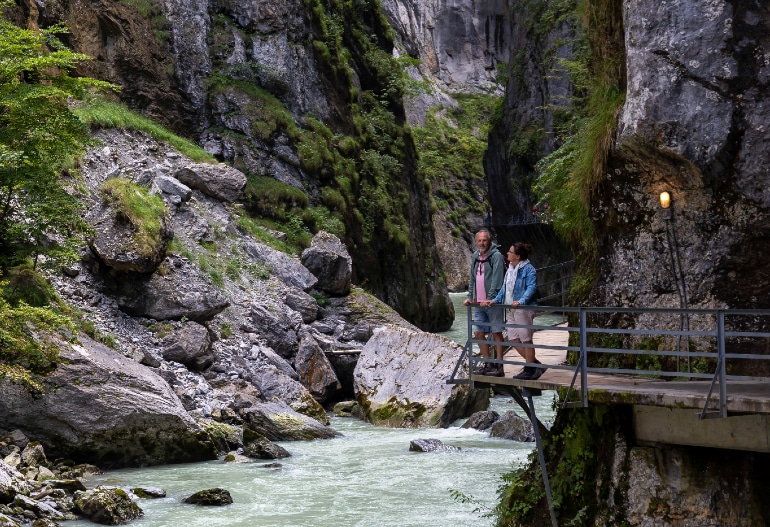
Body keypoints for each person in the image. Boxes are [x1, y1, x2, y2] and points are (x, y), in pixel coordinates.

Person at [481, 242, 541, 379]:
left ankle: (530, 369)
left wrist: (521, 301)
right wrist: (495, 300)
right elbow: (505, 288)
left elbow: (531, 287)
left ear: (518, 256)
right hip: (511, 308)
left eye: (510, 252)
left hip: (522, 308)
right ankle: (534, 365)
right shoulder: (511, 269)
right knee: (513, 338)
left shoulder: (529, 269)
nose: (507, 254)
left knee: (526, 340)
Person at [463, 228, 506, 376]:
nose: (482, 243)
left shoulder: (497, 257)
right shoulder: (475, 256)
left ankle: (499, 367)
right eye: (479, 240)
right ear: (476, 242)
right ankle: (488, 363)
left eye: (484, 240)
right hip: (478, 303)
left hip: (493, 303)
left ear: (490, 241)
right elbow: (472, 279)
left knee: (497, 332)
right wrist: (470, 296)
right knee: (478, 333)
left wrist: (491, 298)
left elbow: (497, 279)